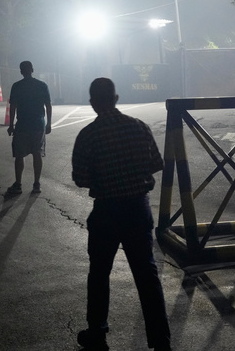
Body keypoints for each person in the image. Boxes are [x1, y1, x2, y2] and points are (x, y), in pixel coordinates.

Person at [72, 78, 171, 351]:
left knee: (100, 273)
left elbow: (80, 178)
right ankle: (160, 339)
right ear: (116, 98)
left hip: (106, 211)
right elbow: (156, 163)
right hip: (138, 209)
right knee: (146, 274)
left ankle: (97, 334)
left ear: (93, 102)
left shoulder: (88, 135)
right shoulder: (139, 127)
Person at [5, 60, 53, 195]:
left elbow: (13, 106)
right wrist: (48, 123)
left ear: (21, 71)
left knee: (19, 155)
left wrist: (11, 125)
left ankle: (18, 184)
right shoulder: (42, 85)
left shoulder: (17, 86)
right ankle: (36, 184)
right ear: (32, 69)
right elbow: (48, 105)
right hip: (38, 124)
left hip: (23, 124)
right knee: (37, 153)